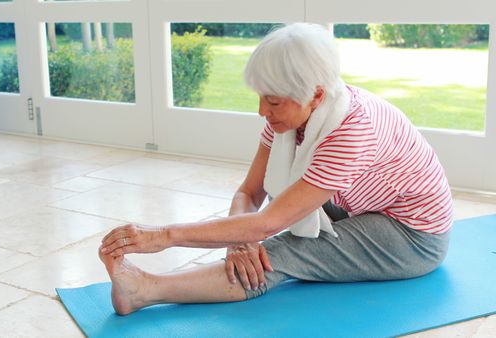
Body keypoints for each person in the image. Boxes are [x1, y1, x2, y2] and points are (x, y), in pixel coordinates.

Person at [98, 23, 452, 316]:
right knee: (252, 243)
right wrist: (241, 241)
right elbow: (249, 194)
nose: (262, 111)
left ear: (315, 95)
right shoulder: (289, 117)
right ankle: (157, 284)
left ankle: (143, 290)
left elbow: (270, 222)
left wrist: (164, 235)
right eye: (261, 97)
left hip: (412, 235)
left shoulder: (351, 130)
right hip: (353, 206)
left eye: (273, 101)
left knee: (277, 255)